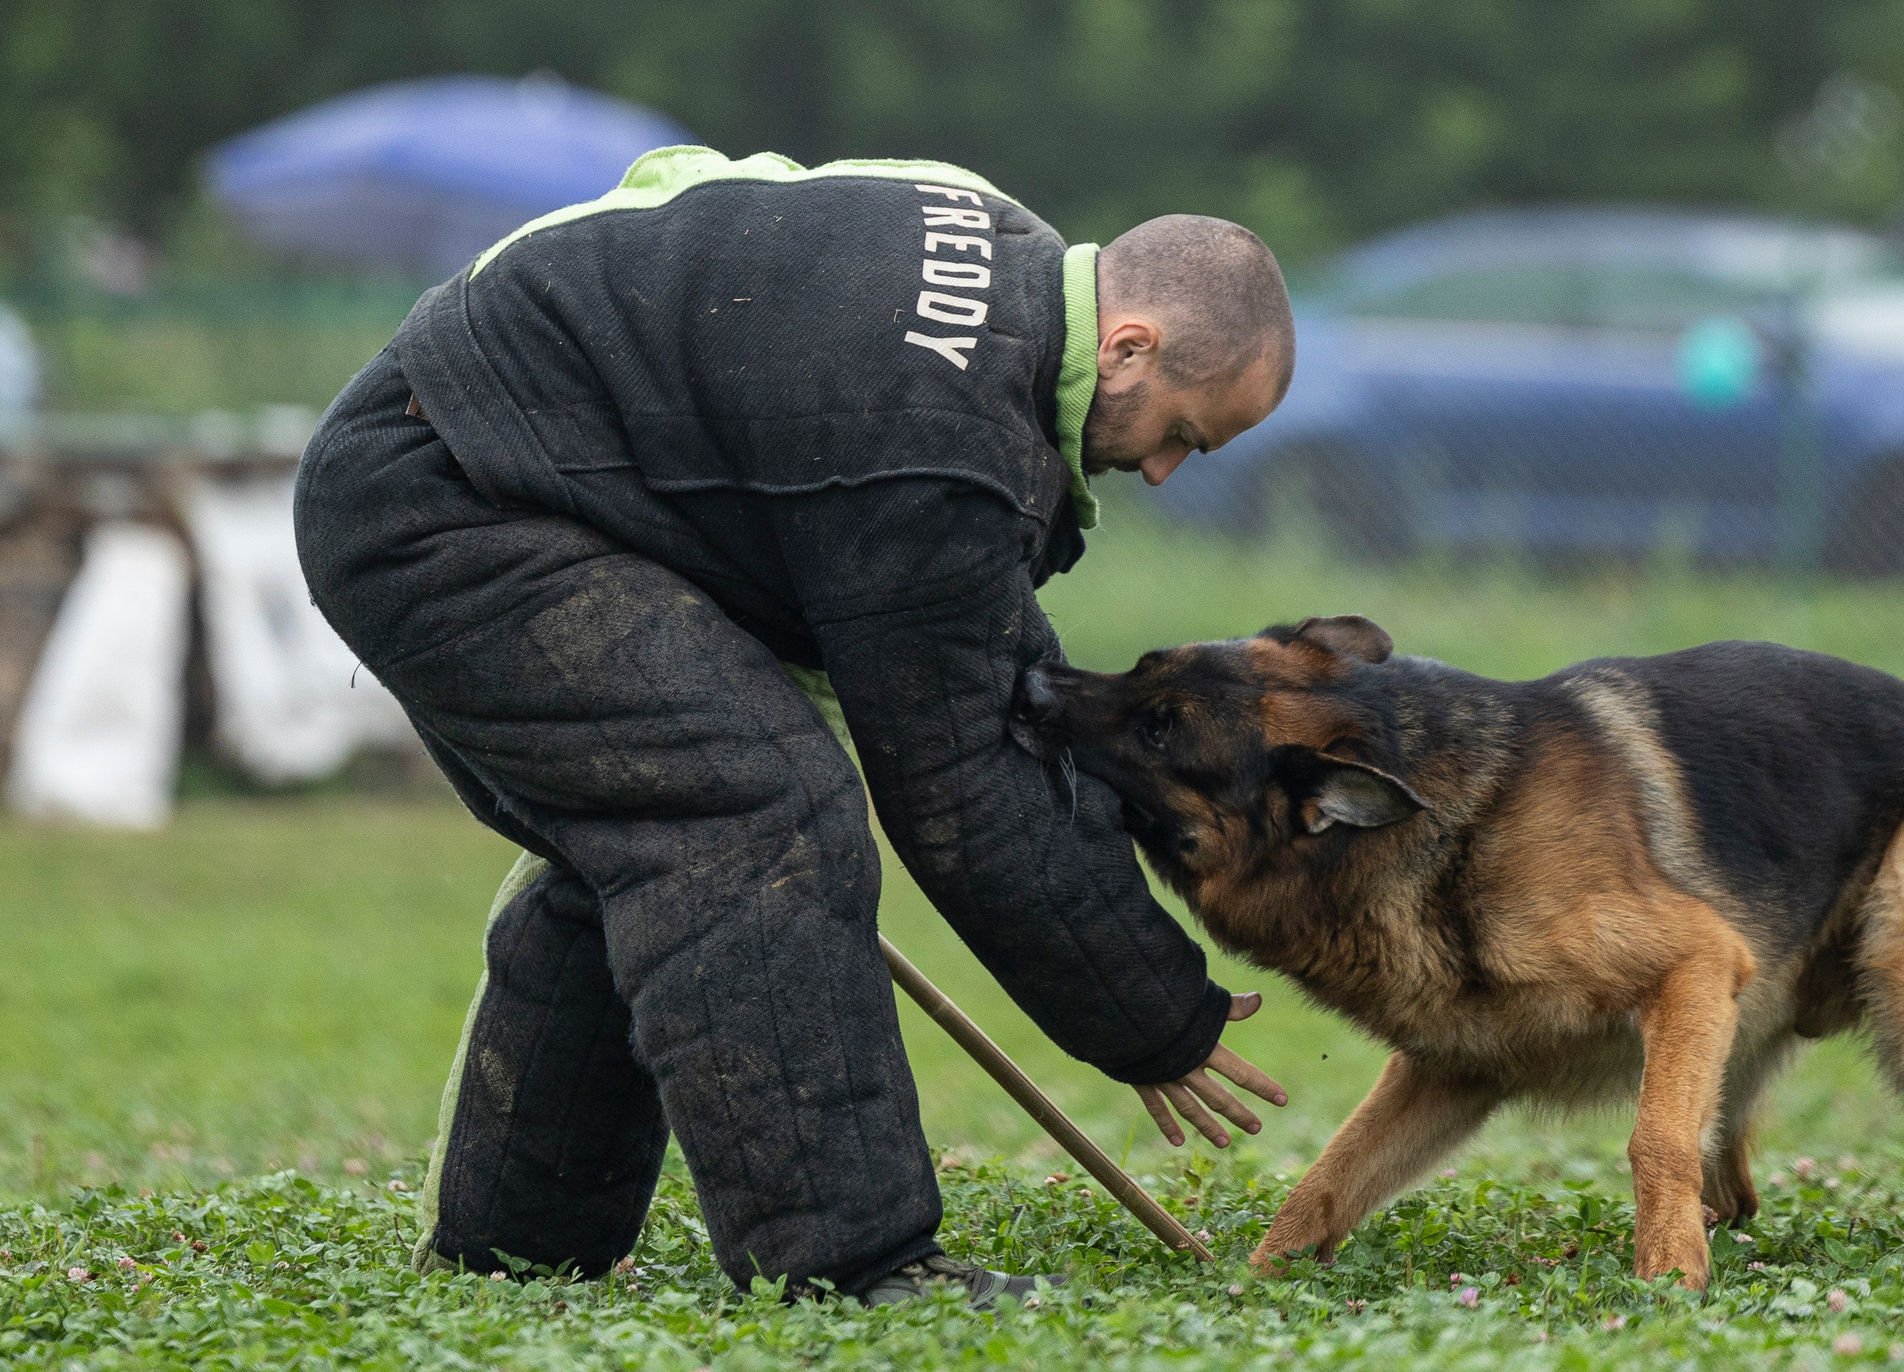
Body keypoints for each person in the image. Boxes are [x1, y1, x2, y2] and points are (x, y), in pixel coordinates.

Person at [295, 146, 1296, 1307]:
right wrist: (1147, 1012)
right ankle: (851, 1263)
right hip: (445, 499)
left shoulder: (988, 227)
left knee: (659, 828)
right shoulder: (942, 438)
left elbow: (699, 179)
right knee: (753, 810)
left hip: (512, 459)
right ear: (1127, 347)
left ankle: (519, 1250)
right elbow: (964, 781)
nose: (1168, 473)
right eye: (1185, 433)